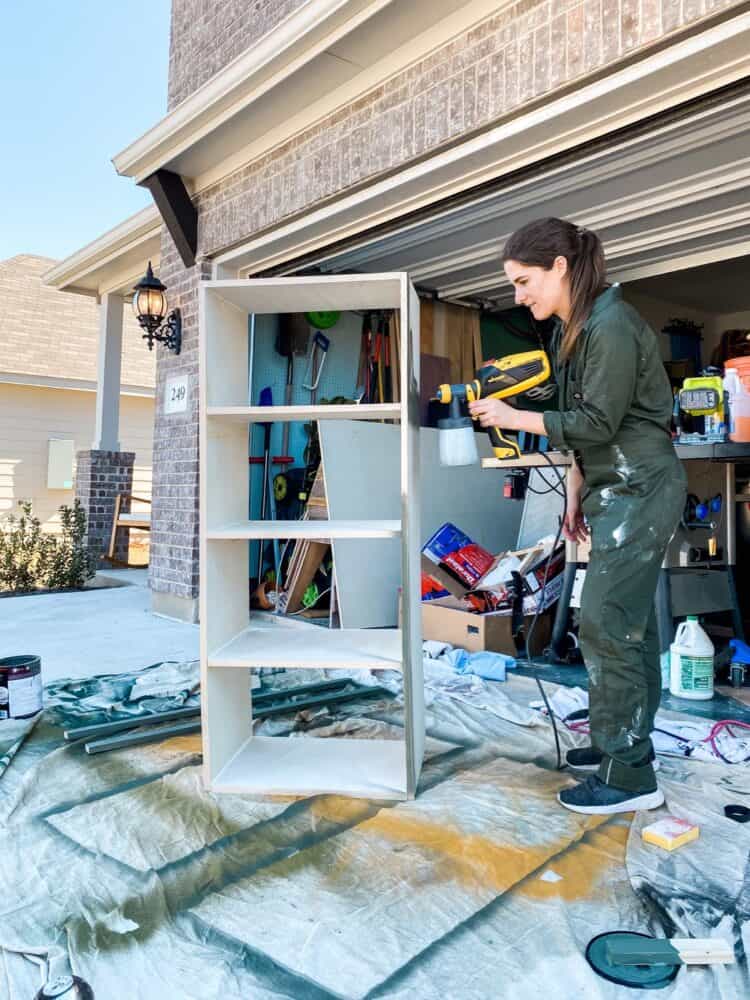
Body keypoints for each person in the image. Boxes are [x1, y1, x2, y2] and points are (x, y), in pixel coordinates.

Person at [469, 217, 686, 816]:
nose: (518, 296)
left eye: (523, 281)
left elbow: (595, 424)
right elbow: (586, 428)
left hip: (641, 487)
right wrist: (573, 491)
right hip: (615, 488)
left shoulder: (610, 324)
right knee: (625, 624)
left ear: (560, 268)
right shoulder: (578, 329)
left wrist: (513, 417)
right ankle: (624, 748)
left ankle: (629, 778)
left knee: (605, 623)